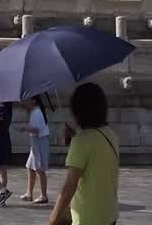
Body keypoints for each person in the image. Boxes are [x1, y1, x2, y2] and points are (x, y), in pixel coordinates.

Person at [46, 83, 119, 225]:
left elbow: (69, 186)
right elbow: (94, 158)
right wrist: (75, 138)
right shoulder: (110, 134)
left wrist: (52, 219)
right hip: (109, 214)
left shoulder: (81, 141)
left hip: (88, 217)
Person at [20, 96, 50, 204]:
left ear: (34, 101)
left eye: (27, 99)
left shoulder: (37, 112)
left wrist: (25, 128)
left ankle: (44, 195)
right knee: (30, 167)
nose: (25, 102)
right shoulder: (35, 111)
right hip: (36, 142)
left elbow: (37, 130)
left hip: (39, 142)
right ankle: (29, 193)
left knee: (39, 168)